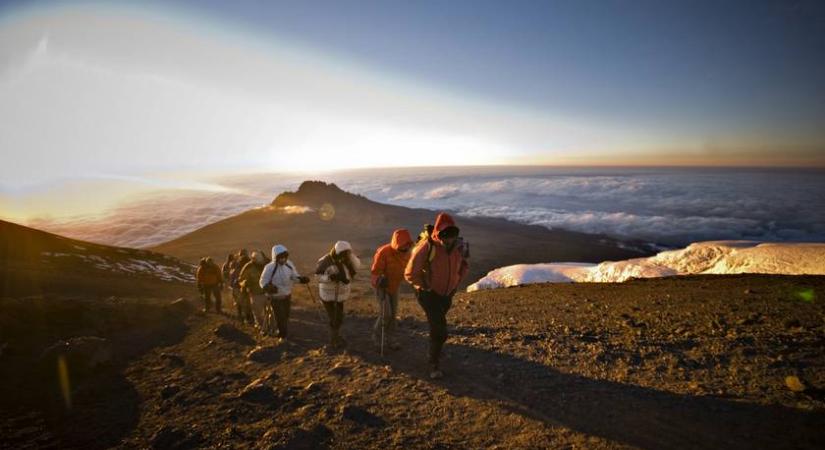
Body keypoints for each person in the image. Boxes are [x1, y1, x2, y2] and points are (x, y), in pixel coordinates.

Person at [405, 213, 469, 379]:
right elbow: (410, 273)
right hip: (428, 294)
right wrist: (425, 286)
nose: (449, 239)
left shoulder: (458, 247)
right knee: (439, 329)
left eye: (452, 235)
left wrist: (455, 285)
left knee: (438, 323)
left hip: (447, 293)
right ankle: (433, 363)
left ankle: (436, 349)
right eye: (445, 235)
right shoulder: (428, 246)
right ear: (439, 233)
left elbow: (462, 266)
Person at [370, 228, 413, 351]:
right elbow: (375, 272)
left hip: (394, 286)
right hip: (381, 286)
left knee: (393, 315)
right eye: (403, 245)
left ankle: (390, 339)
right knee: (386, 313)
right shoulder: (384, 252)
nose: (405, 248)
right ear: (396, 243)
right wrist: (379, 280)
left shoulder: (408, 254)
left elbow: (409, 270)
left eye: (407, 245)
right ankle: (377, 337)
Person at [315, 241, 360, 348]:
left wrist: (351, 256)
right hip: (327, 295)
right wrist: (330, 278)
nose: (344, 257)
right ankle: (334, 340)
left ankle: (336, 337)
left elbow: (357, 265)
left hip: (340, 295)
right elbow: (317, 276)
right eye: (343, 254)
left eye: (346, 254)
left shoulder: (348, 260)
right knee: (334, 318)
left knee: (339, 318)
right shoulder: (325, 261)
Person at [259, 245, 309, 339]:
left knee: (286, 315)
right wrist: (267, 287)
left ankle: (282, 332)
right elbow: (263, 281)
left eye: (285, 257)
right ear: (276, 257)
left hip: (286, 296)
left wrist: (301, 280)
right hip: (275, 297)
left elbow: (294, 276)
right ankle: (282, 335)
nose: (283, 259)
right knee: (280, 316)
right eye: (281, 258)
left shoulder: (289, 265)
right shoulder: (269, 267)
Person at [239, 251, 268, 334]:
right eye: (257, 260)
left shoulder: (268, 265)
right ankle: (261, 327)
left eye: (261, 260)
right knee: (258, 313)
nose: (260, 262)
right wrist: (244, 283)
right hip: (256, 294)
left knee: (270, 312)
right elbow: (241, 279)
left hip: (268, 293)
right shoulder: (248, 267)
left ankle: (270, 327)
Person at [230, 249, 252, 323]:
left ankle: (242, 316)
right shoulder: (250, 264)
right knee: (247, 303)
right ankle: (248, 317)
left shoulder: (236, 265)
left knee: (240, 302)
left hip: (239, 287)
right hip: (246, 287)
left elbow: (232, 277)